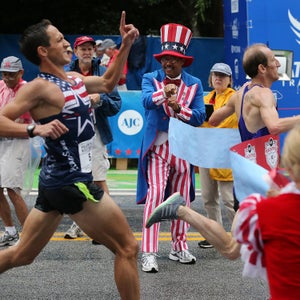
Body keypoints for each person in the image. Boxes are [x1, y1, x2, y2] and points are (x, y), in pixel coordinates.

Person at [0, 12, 140, 299]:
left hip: (56, 183)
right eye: (60, 39)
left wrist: (125, 45)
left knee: (21, 255)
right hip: (71, 182)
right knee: (127, 248)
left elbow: (108, 83)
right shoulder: (40, 88)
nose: (68, 44)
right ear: (43, 51)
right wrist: (33, 130)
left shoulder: (75, 79)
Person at [146, 123, 300, 299]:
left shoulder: (266, 209)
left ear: (289, 166)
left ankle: (181, 210)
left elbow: (231, 250)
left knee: (231, 246)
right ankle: (180, 210)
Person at [136, 23, 206, 273]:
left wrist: (179, 108)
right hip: (158, 147)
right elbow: (145, 101)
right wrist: (163, 95)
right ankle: (149, 252)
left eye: (174, 59)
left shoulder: (195, 84)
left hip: (183, 147)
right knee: (155, 196)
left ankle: (178, 246)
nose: (168, 62)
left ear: (182, 62)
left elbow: (199, 116)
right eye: (165, 57)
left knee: (182, 200)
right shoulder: (150, 78)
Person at [64, 35, 121, 240]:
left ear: (94, 51)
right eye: (83, 49)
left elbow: (116, 104)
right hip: (72, 134)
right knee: (74, 180)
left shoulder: (103, 73)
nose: (87, 52)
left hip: (95, 133)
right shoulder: (66, 74)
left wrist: (100, 99)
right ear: (75, 51)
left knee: (98, 178)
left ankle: (107, 226)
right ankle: (79, 223)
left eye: (90, 48)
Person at [198, 63, 238, 249]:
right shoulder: (206, 98)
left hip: (224, 154)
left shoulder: (234, 98)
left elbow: (222, 124)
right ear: (211, 77)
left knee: (229, 199)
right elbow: (199, 124)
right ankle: (216, 236)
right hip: (207, 154)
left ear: (230, 80)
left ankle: (241, 236)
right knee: (208, 198)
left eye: (222, 75)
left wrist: (206, 126)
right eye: (215, 75)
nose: (218, 78)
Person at [0, 56, 31, 247]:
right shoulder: (1, 86)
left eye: (12, 74)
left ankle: (28, 236)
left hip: (17, 140)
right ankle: (10, 231)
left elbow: (20, 119)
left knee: (12, 189)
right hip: (1, 139)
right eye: (4, 74)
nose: (7, 78)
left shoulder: (26, 90)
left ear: (21, 73)